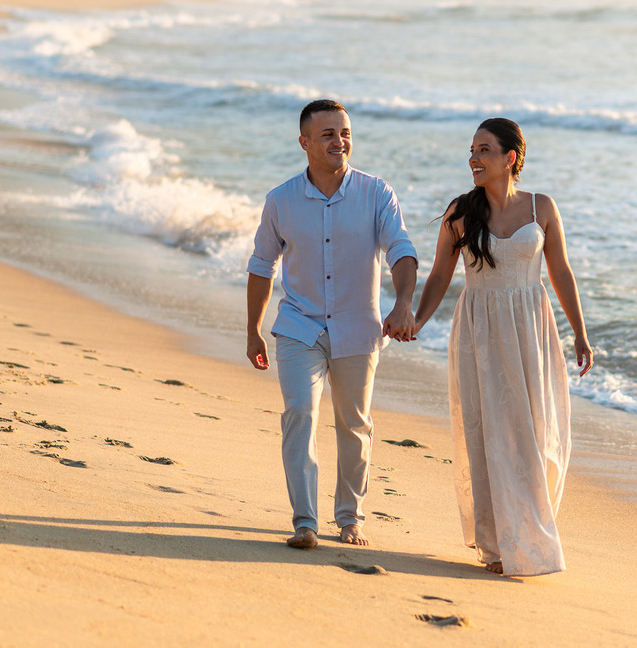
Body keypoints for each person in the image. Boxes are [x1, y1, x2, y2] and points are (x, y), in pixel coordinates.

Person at [414, 117, 592, 576]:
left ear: (510, 157)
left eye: (484, 150)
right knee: (488, 432)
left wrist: (580, 332)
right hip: (481, 332)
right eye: (472, 150)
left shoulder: (541, 208)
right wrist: (416, 320)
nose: (473, 158)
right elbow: (438, 276)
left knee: (535, 432)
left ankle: (532, 528)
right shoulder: (460, 213)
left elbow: (561, 273)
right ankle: (498, 544)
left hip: (532, 330)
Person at [247, 99, 418, 549]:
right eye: (328, 134)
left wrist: (403, 303)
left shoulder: (376, 193)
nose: (339, 141)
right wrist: (253, 329)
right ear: (305, 143)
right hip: (299, 326)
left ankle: (350, 517)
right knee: (299, 412)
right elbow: (262, 266)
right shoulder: (281, 200)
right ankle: (305, 521)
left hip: (358, 328)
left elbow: (400, 249)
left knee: (355, 424)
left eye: (344, 132)